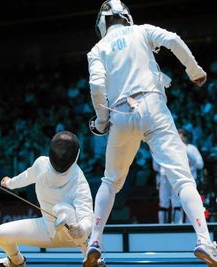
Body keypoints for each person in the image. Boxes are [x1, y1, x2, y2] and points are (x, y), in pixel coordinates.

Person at [84, 0, 217, 266]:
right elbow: (172, 39)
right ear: (126, 16)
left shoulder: (97, 49)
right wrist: (194, 71)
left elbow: (97, 86)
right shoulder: (142, 30)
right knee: (182, 179)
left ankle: (94, 241)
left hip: (121, 114)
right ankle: (204, 240)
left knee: (110, 182)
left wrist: (101, 121)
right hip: (153, 106)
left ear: (103, 22)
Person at [0, 131, 105, 267]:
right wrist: (10, 183)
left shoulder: (78, 181)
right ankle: (16, 261)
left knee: (62, 209)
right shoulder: (41, 165)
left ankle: (90, 256)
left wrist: (81, 229)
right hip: (46, 229)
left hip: (72, 236)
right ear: (77, 154)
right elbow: (26, 176)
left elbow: (87, 217)